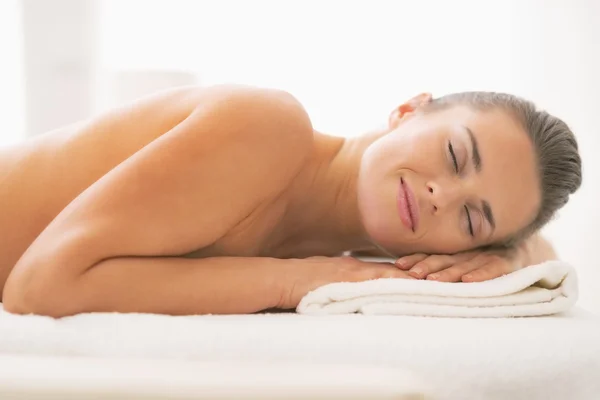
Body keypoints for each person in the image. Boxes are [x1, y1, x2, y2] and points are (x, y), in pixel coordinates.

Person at [0, 84, 581, 317]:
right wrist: (299, 279)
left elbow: (544, 250)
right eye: (455, 156)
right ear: (409, 109)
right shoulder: (266, 128)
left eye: (472, 218)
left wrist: (511, 258)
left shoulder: (366, 250)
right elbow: (38, 287)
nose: (440, 195)